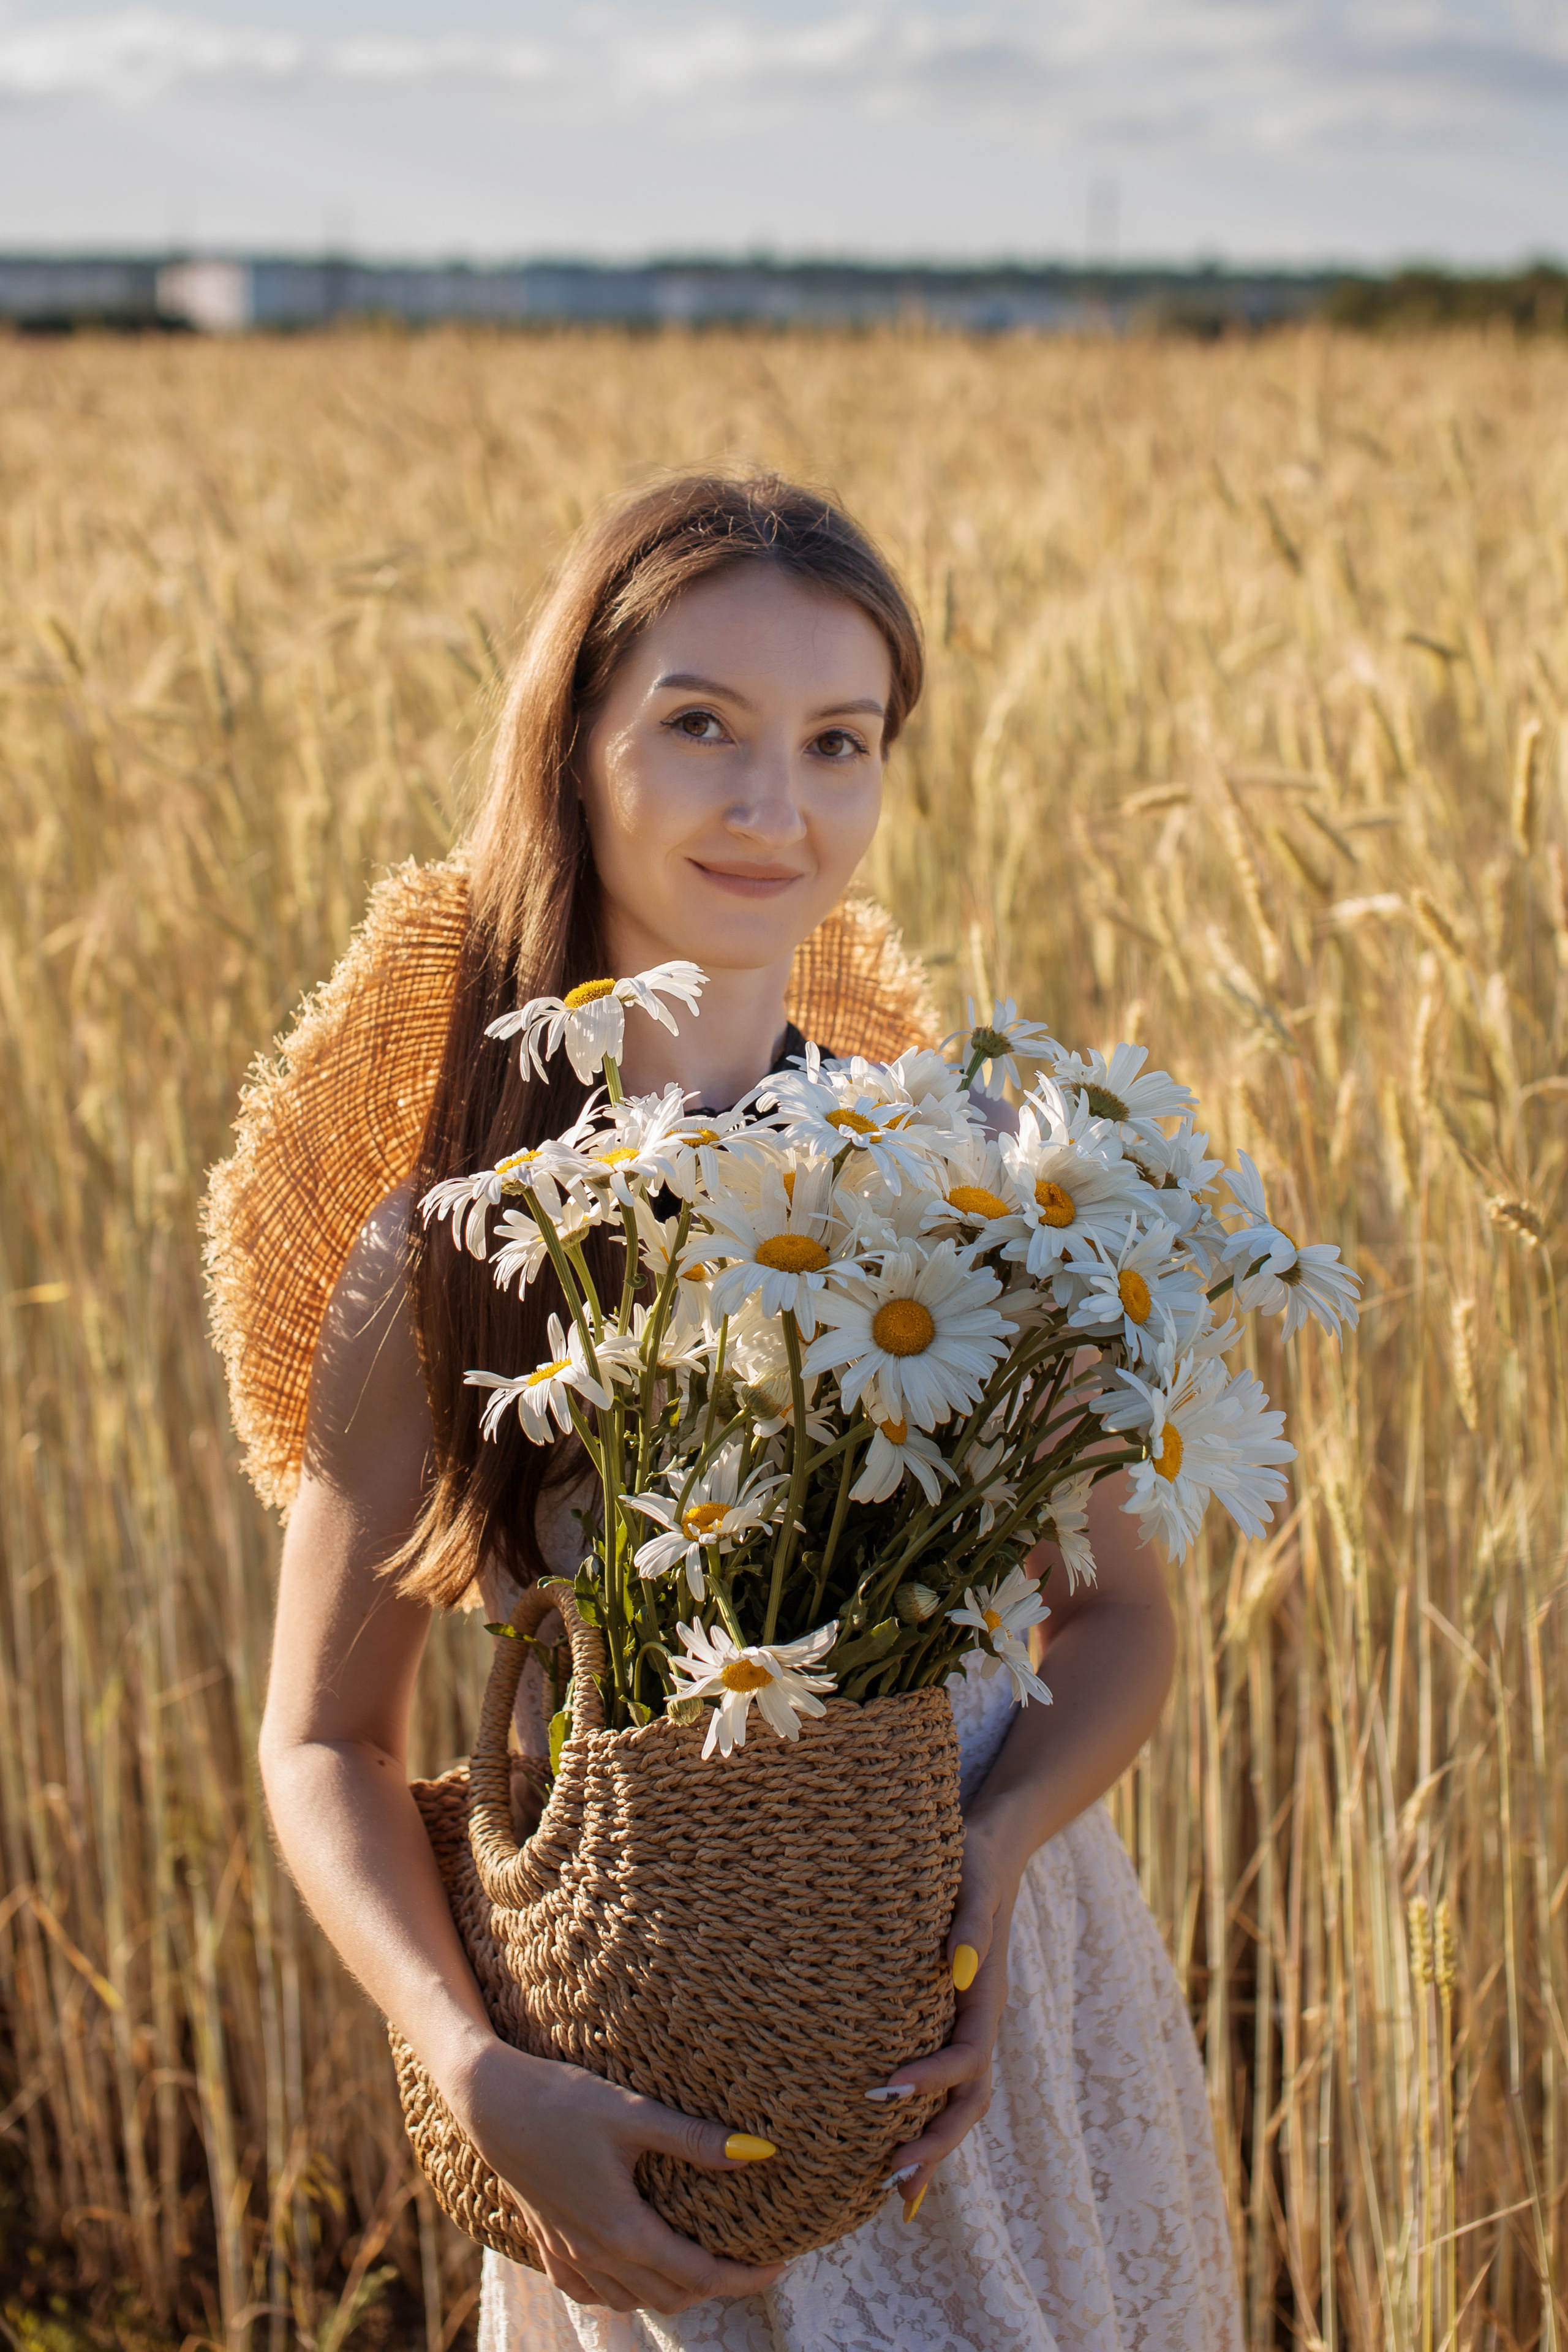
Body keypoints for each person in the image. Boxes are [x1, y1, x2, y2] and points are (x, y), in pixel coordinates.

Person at [257, 474, 1243, 2350]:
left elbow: (1119, 1620)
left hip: (990, 2039)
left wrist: (995, 1858)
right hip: (637, 2084)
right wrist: (471, 2071)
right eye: (701, 725)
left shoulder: (978, 1192)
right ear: (575, 748)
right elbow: (323, 1737)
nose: (774, 805)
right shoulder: (456, 1246)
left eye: (837, 742)